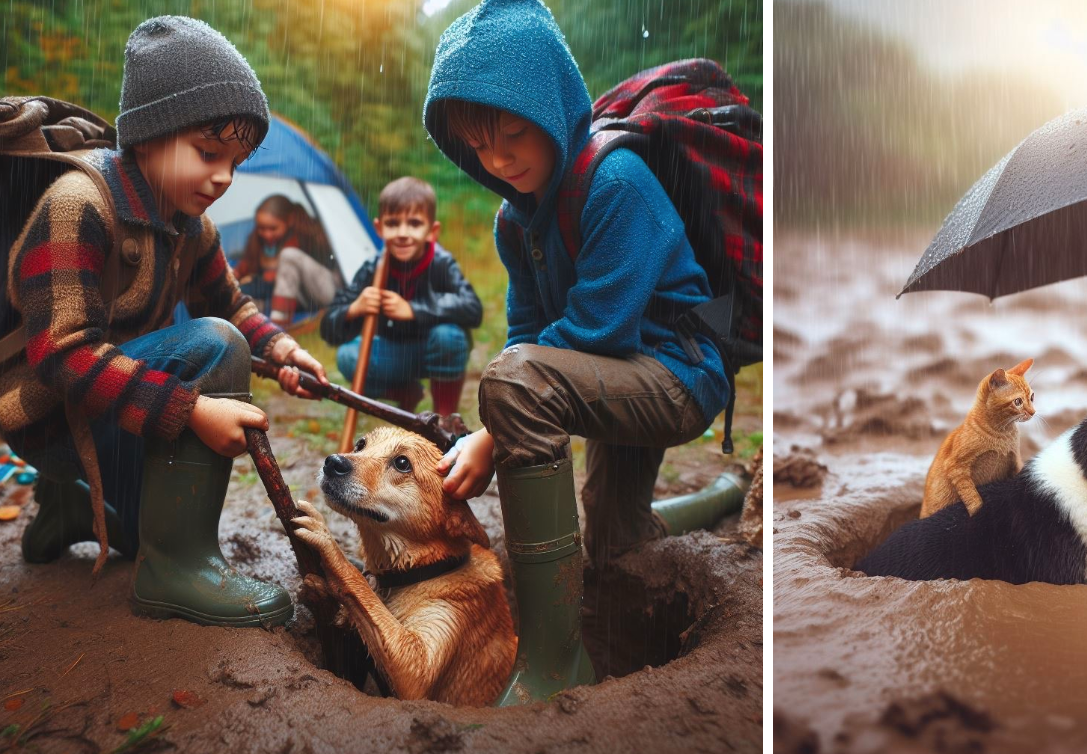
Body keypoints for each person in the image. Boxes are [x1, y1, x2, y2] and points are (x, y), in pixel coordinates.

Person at [421, 0, 746, 704]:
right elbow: (527, 330)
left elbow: (596, 330)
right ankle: (721, 495)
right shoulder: (517, 220)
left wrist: (491, 432)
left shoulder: (617, 183)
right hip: (615, 375)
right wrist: (499, 416)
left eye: (514, 134)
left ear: (558, 109)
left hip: (678, 374)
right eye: (479, 147)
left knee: (515, 388)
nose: (500, 159)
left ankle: (551, 665)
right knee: (613, 546)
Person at [6, 16, 328, 626]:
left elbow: (231, 302)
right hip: (52, 414)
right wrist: (190, 409)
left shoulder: (191, 224)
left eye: (236, 160)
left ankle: (71, 507)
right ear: (148, 138)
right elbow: (61, 355)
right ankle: (175, 568)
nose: (224, 177)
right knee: (216, 346)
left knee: (140, 528)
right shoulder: (79, 207)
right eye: (208, 154)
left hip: (110, 400)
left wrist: (283, 349)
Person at [321, 177, 481, 415]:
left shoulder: (441, 263)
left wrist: (414, 310)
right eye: (393, 223)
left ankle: (445, 419)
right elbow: (329, 328)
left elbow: (472, 308)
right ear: (379, 228)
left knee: (449, 336)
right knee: (347, 356)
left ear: (432, 231)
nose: (403, 233)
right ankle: (405, 392)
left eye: (414, 224)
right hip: (394, 353)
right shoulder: (373, 268)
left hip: (436, 348)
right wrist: (355, 308)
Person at [234, 193, 340, 326]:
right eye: (262, 228)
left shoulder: (305, 237)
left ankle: (280, 325)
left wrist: (257, 282)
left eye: (273, 228)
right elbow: (246, 266)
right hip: (301, 300)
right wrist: (233, 279)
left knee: (287, 256)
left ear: (289, 220)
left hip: (328, 293)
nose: (267, 234)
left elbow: (271, 278)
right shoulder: (258, 242)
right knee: (246, 301)